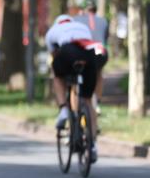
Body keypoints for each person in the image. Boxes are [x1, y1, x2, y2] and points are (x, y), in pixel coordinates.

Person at [45, 14, 106, 163]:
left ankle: (63, 109)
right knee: (87, 100)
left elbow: (54, 55)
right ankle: (92, 145)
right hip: (89, 53)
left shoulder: (53, 31)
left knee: (57, 76)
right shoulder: (82, 26)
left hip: (68, 50)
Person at [74, 0, 110, 113]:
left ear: (83, 10)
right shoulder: (104, 21)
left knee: (75, 75)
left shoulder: (76, 19)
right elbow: (104, 39)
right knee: (98, 73)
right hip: (100, 51)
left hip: (83, 51)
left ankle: (74, 109)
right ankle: (97, 103)